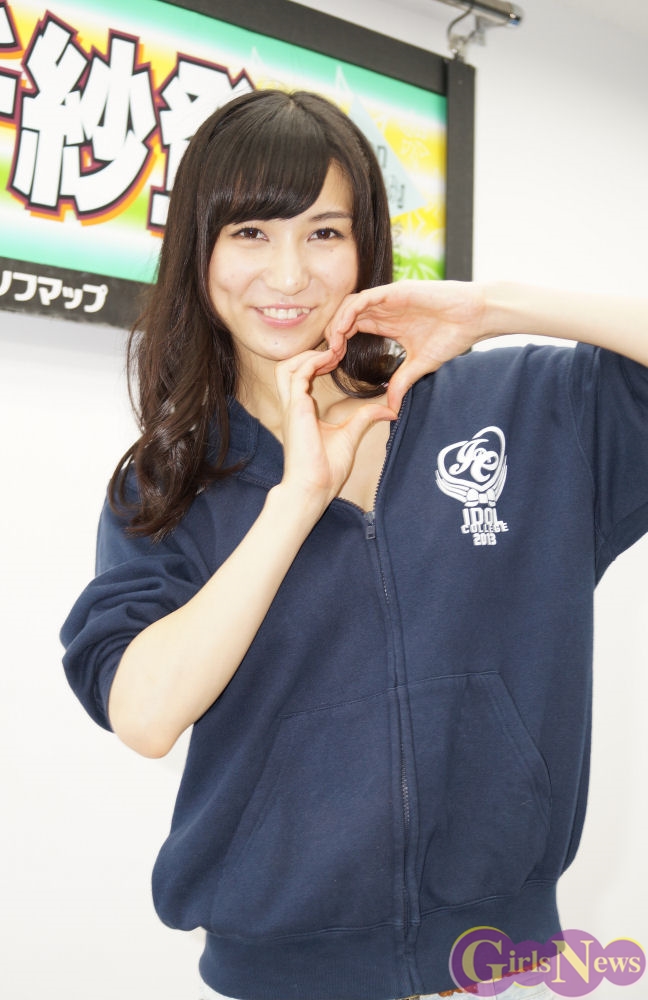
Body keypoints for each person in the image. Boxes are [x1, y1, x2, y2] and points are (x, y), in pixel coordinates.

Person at [60, 88, 648, 1000]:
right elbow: (143, 714)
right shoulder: (169, 484)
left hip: (493, 966)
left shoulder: (522, 412)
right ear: (199, 252)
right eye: (251, 233)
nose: (289, 273)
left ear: (367, 244)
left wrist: (492, 307)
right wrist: (295, 500)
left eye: (324, 232)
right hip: (283, 977)